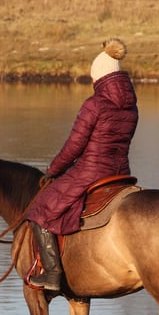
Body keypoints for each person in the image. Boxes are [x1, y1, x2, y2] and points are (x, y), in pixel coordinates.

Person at [25, 38, 139, 290]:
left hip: (91, 172)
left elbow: (74, 146)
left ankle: (53, 274)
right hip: (121, 174)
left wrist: (53, 170)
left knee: (40, 210)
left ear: (98, 78)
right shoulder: (131, 105)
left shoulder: (94, 104)